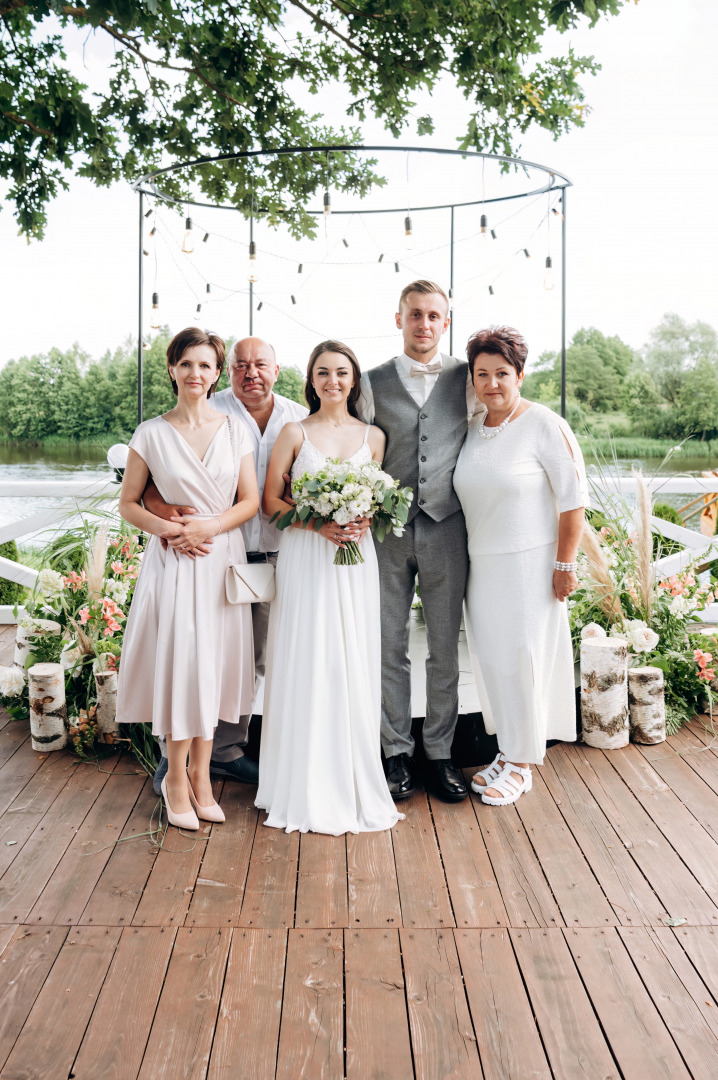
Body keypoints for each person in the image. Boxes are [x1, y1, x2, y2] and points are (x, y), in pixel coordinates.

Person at [146, 337, 308, 793]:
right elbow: (150, 480)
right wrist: (163, 511)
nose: (250, 373)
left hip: (280, 551)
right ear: (225, 371)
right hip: (211, 554)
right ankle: (172, 757)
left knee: (247, 657)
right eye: (241, 365)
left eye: (260, 365)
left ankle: (226, 750)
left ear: (277, 369)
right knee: (190, 651)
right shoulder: (205, 405)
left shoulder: (299, 418)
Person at [256, 340, 403, 834]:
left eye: (341, 372)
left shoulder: (375, 438)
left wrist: (365, 517)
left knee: (351, 660)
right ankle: (300, 780)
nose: (332, 381)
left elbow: (382, 500)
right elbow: (270, 502)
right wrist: (317, 525)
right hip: (307, 557)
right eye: (322, 372)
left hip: (356, 562)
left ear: (355, 379)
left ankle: (351, 776)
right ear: (311, 380)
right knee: (309, 657)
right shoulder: (294, 432)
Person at [116, 328, 259, 829]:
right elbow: (129, 503)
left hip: (220, 558)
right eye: (186, 364)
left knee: (213, 669)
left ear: (217, 373)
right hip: (176, 563)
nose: (195, 374)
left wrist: (211, 526)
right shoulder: (151, 433)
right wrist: (171, 531)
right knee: (183, 667)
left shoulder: (235, 429)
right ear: (172, 369)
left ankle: (203, 777)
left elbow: (250, 501)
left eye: (205, 365)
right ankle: (175, 778)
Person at [453, 326, 588, 805]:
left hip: (530, 566)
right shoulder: (471, 427)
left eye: (502, 373)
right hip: (482, 567)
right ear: (472, 378)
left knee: (525, 661)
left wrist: (564, 565)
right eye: (482, 374)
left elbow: (573, 503)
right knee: (495, 664)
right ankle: (508, 752)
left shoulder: (544, 425)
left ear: (521, 375)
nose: (492, 383)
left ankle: (525, 764)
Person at [357, 280, 476, 802]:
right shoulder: (369, 381)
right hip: (386, 532)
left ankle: (442, 756)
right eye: (415, 315)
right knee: (390, 646)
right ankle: (396, 755)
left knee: (445, 648)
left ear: (445, 322)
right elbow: (352, 450)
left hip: (448, 528)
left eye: (434, 316)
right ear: (399, 318)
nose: (424, 324)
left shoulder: (468, 378)